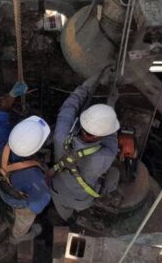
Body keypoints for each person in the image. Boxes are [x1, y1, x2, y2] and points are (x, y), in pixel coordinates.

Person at [49, 71, 120, 221]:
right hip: (82, 201)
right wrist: (111, 105)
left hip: (56, 190)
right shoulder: (105, 156)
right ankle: (74, 217)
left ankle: (65, 219)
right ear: (102, 134)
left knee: (64, 212)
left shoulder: (61, 135)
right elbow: (112, 136)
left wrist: (87, 86)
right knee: (115, 173)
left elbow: (69, 107)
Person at [0, 81, 52, 244]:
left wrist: (12, 94)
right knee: (24, 220)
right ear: (36, 149)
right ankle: (17, 237)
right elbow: (36, 205)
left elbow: (2, 109)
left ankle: (2, 203)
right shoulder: (35, 178)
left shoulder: (2, 141)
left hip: (2, 184)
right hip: (19, 201)